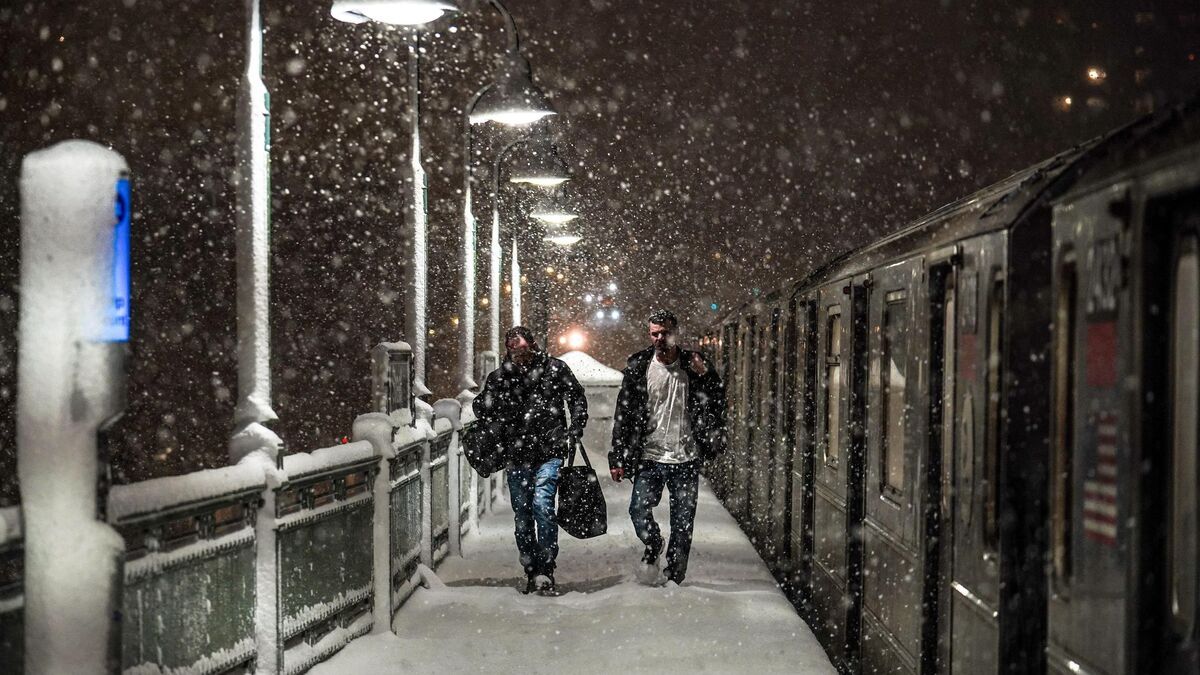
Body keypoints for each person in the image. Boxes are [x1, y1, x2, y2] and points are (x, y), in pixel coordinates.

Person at [610, 309, 726, 585]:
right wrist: (617, 456)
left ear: (676, 332)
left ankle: (675, 577)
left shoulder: (694, 364)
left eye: (665, 333)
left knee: (683, 523)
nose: (660, 338)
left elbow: (718, 400)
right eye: (655, 333)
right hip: (650, 456)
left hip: (685, 458)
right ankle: (653, 543)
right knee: (638, 511)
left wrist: (707, 376)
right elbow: (623, 414)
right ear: (649, 334)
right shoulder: (640, 366)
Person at [473, 326, 588, 595]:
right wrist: (495, 399)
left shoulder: (555, 369)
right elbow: (481, 408)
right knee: (523, 515)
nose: (519, 353)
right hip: (517, 455)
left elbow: (577, 398)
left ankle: (545, 569)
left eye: (522, 348)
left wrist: (574, 428)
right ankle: (531, 569)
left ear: (533, 345)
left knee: (542, 507)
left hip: (549, 452)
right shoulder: (501, 377)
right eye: (513, 349)